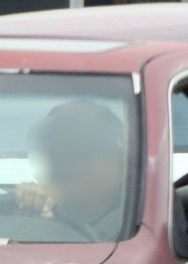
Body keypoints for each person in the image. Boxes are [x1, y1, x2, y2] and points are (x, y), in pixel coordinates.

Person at [15, 100, 128, 238]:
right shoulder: (45, 210)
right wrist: (29, 208)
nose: (74, 165)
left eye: (87, 151)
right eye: (61, 154)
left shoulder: (143, 216)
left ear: (121, 161)